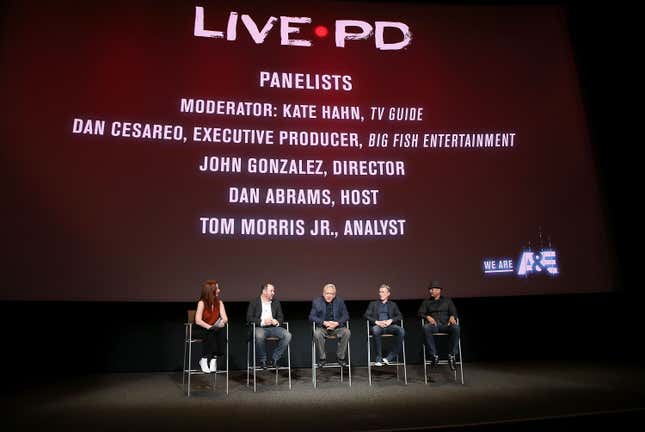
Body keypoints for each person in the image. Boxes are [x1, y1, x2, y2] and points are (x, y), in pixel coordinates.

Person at [246, 282, 292, 369]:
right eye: (271, 291)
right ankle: (263, 361)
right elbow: (249, 318)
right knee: (259, 335)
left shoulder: (276, 302)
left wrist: (277, 322)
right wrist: (263, 321)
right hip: (260, 328)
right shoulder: (254, 302)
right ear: (264, 291)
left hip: (273, 328)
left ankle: (274, 359)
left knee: (287, 335)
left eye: (273, 291)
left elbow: (281, 317)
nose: (273, 293)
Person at [418, 280, 460, 370]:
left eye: (432, 289)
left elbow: (454, 312)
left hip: (446, 325)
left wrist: (452, 316)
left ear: (438, 290)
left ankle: (452, 356)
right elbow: (420, 313)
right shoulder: (426, 302)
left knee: (456, 327)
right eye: (430, 289)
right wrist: (428, 317)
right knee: (426, 328)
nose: (430, 291)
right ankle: (434, 355)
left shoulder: (447, 301)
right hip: (434, 325)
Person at [308, 283, 351, 367]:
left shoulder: (340, 301)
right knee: (317, 333)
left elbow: (346, 315)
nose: (329, 296)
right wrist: (324, 322)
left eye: (331, 294)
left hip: (337, 328)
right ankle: (322, 358)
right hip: (323, 328)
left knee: (347, 332)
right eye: (327, 293)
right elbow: (311, 316)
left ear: (334, 295)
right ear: (323, 294)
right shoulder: (317, 302)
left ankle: (340, 357)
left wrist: (337, 323)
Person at [364, 284, 405, 366]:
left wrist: (391, 320)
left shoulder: (393, 304)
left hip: (390, 326)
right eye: (380, 292)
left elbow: (400, 316)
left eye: (383, 292)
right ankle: (379, 358)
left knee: (401, 330)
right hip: (378, 326)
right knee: (375, 330)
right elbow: (366, 315)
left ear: (388, 294)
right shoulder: (373, 304)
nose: (380, 294)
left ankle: (390, 357)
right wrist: (377, 322)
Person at [194, 280, 228, 373]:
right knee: (210, 332)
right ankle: (204, 359)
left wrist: (222, 322)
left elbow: (225, 318)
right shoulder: (202, 303)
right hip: (201, 329)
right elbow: (198, 320)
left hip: (214, 329)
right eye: (217, 288)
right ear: (211, 290)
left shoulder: (219, 302)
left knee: (221, 331)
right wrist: (209, 327)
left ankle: (214, 359)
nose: (219, 290)